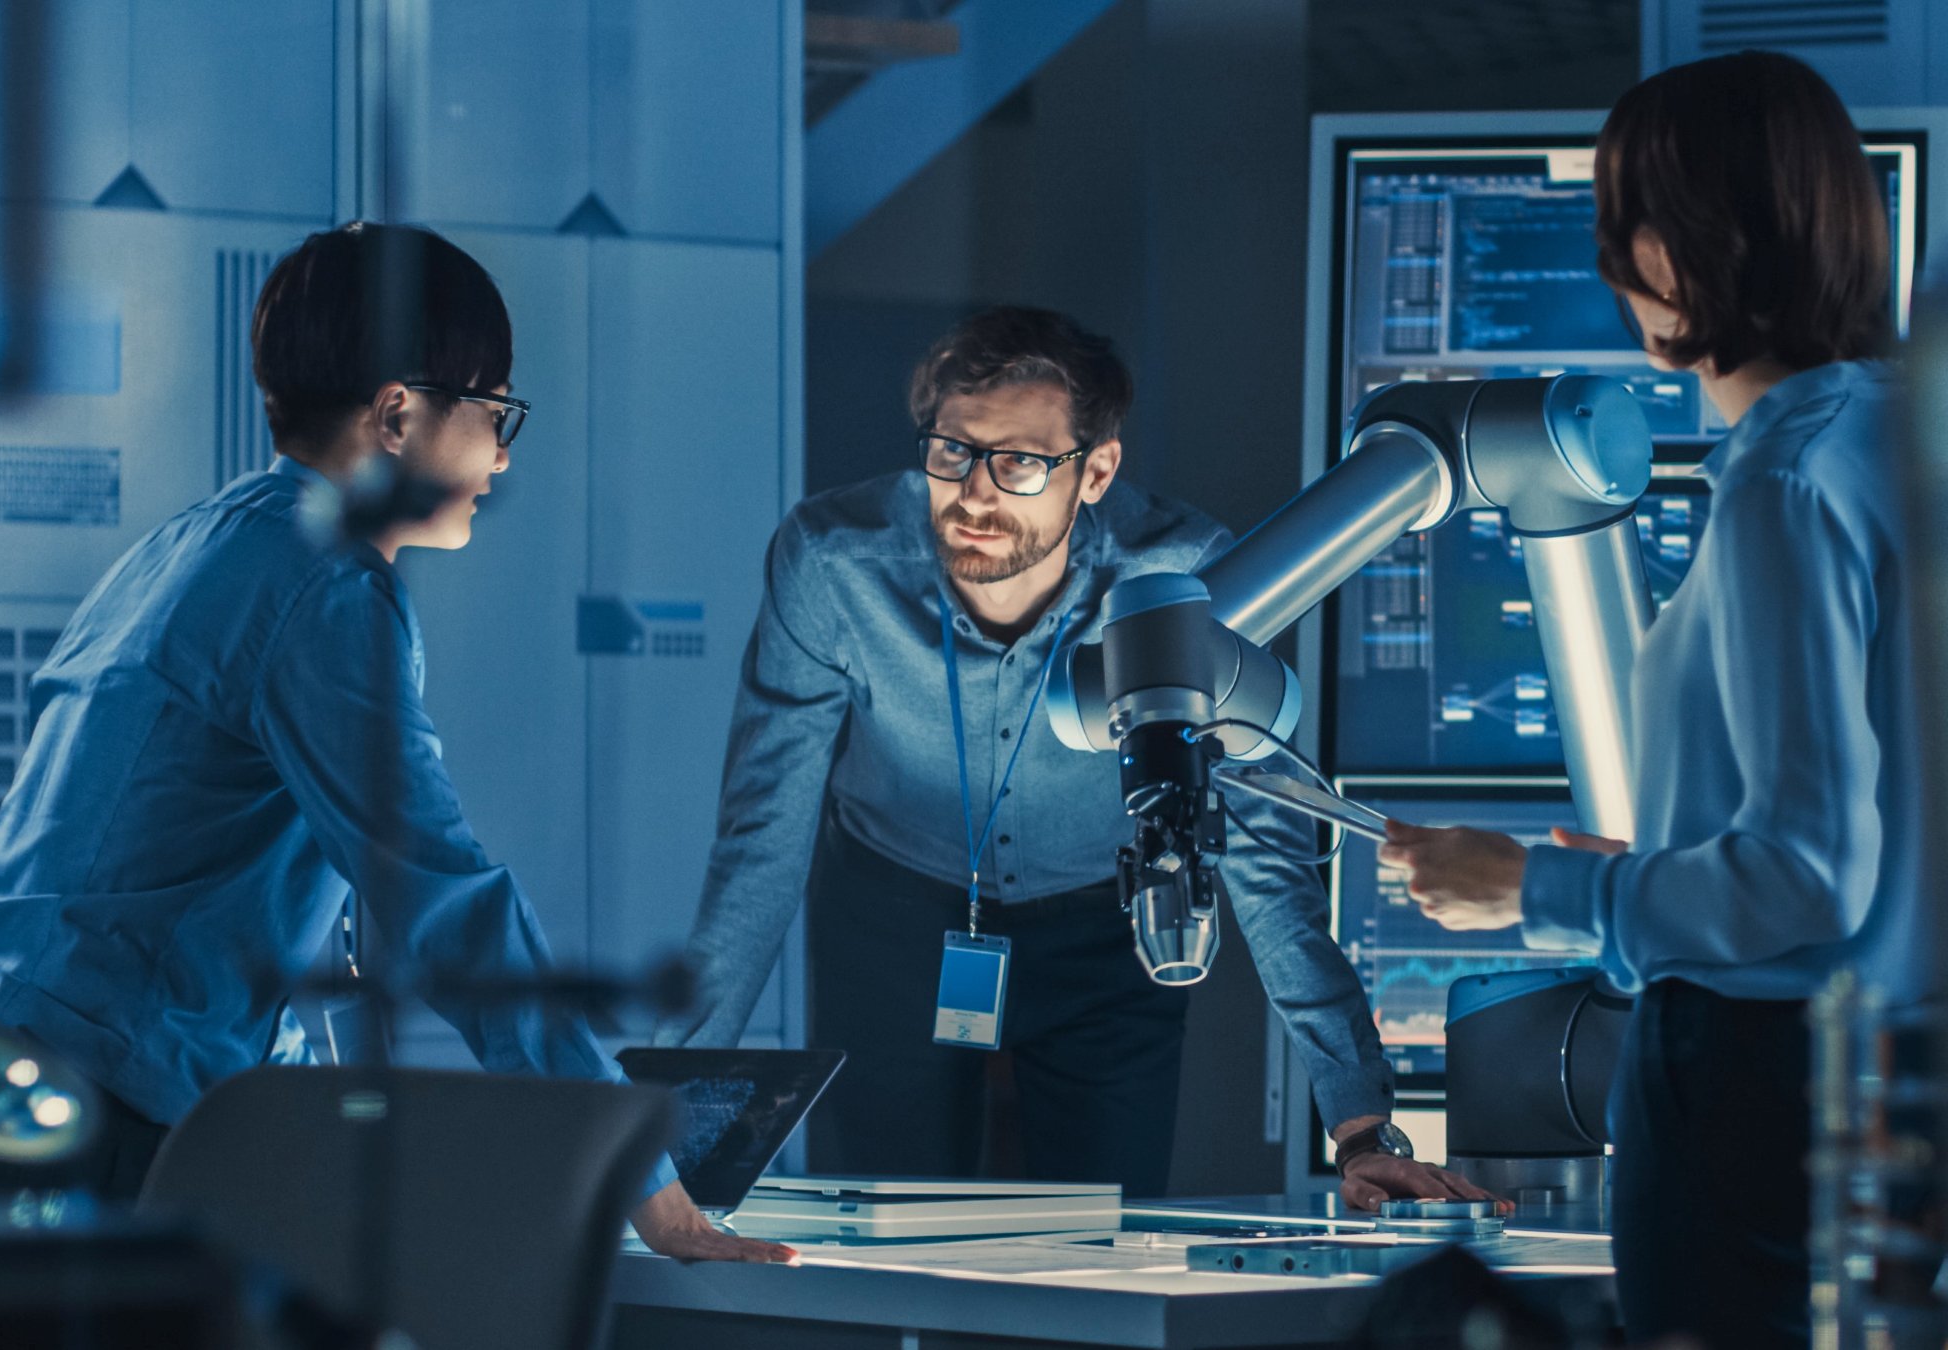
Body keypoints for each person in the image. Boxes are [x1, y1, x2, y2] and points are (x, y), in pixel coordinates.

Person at [0, 222, 789, 1264]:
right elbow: (446, 901)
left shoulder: (196, 544)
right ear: (398, 414)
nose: (502, 454)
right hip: (55, 1146)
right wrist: (643, 1178)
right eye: (494, 411)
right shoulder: (327, 589)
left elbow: (203, 901)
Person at [660, 306, 1490, 1208]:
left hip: (1106, 931)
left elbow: (1260, 851)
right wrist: (668, 1118)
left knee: (1104, 1247)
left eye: (1019, 462)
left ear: (1096, 471)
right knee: (881, 1237)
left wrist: (1359, 1122)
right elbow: (762, 834)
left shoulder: (1188, 578)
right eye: (951, 451)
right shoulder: (833, 563)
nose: (975, 494)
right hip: (893, 915)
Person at [1379, 51, 1917, 1347]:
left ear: (1674, 253)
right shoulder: (1897, 440)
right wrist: (1650, 874)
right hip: (1878, 1085)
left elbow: (1809, 876)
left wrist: (1533, 887)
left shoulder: (1785, 478)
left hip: (1758, 1091)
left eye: (1621, 226)